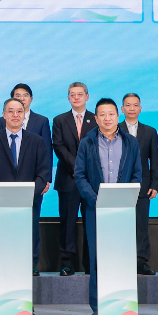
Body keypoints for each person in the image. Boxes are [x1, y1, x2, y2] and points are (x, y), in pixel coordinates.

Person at [0, 98, 51, 315]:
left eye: (19, 111)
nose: (15, 115)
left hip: (26, 208)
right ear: (4, 114)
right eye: (11, 111)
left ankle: (25, 305)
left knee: (24, 257)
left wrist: (26, 194)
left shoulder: (36, 141)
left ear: (24, 114)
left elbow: (43, 173)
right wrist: (3, 194)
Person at [73, 98, 142, 315]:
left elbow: (137, 175)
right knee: (97, 258)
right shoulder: (87, 142)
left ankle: (124, 305)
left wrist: (124, 199)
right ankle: (98, 307)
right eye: (102, 114)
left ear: (118, 116)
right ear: (96, 118)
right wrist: (97, 200)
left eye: (111, 114)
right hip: (95, 209)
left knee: (122, 256)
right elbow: (80, 175)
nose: (107, 118)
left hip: (122, 210)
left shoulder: (131, 142)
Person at [0, 83, 52, 276]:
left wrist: (46, 179)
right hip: (7, 185)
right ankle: (8, 262)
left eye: (25, 95)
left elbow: (47, 151)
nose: (21, 98)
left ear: (31, 99)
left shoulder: (41, 121)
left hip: (33, 183)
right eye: (17, 95)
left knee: (32, 223)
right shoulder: (1, 121)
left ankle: (31, 263)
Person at [51, 82, 96, 276]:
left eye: (80, 94)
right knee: (67, 223)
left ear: (87, 96)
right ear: (68, 98)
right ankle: (67, 263)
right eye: (72, 94)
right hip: (68, 179)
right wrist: (77, 168)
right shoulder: (59, 120)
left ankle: (90, 263)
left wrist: (83, 170)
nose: (76, 97)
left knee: (91, 223)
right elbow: (58, 146)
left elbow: (97, 147)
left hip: (91, 180)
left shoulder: (96, 119)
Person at [121, 93, 158, 276]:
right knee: (122, 223)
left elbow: (155, 160)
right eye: (128, 105)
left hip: (143, 185)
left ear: (140, 108)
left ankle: (141, 261)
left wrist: (155, 183)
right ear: (122, 109)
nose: (132, 108)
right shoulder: (115, 129)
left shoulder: (150, 131)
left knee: (141, 225)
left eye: (135, 105)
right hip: (120, 184)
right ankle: (122, 260)